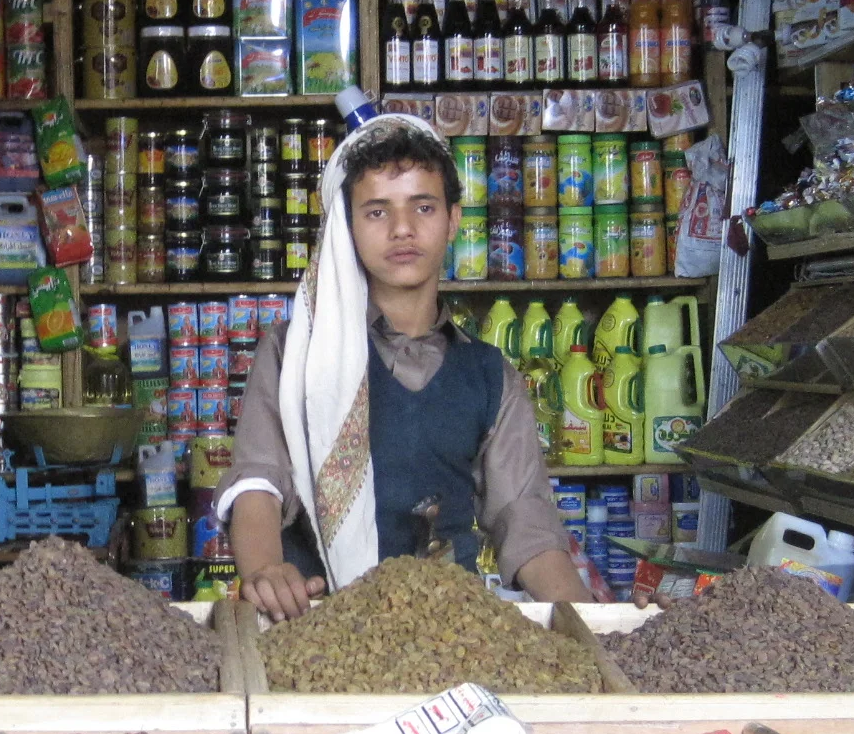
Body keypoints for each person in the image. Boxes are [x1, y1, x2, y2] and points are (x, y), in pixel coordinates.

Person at [217, 113, 592, 620]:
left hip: (446, 634)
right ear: (347, 227)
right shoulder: (294, 354)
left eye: (423, 206)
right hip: (315, 626)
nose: (402, 229)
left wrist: (590, 628)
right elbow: (258, 481)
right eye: (376, 212)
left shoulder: (488, 376)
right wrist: (265, 570)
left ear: (454, 219)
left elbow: (525, 522)